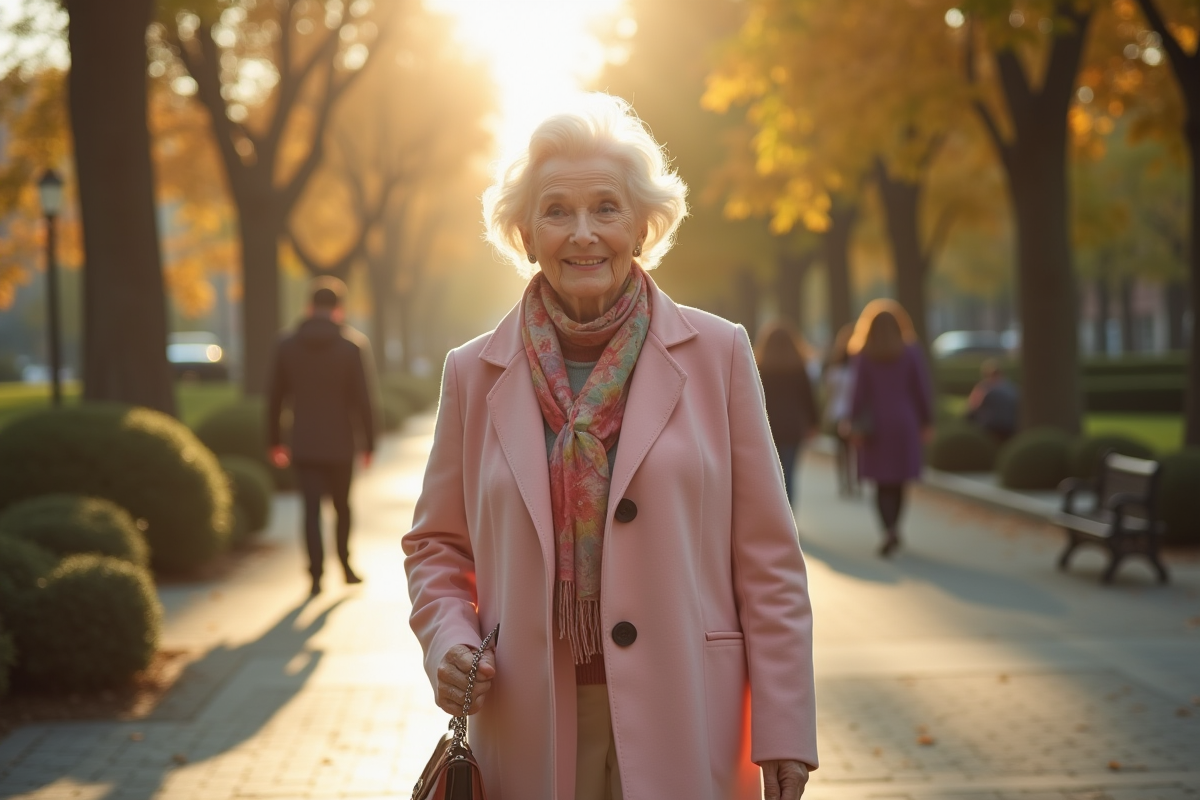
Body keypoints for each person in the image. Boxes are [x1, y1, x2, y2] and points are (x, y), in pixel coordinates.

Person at [402, 95, 817, 800]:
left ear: (644, 227)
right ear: (525, 233)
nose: (583, 233)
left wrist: (784, 726)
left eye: (607, 208)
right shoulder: (473, 373)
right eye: (557, 210)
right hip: (526, 717)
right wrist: (448, 639)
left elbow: (769, 560)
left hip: (690, 708)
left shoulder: (718, 354)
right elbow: (438, 547)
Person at [267, 277, 378, 596]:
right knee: (342, 507)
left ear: (309, 307)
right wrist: (369, 444)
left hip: (303, 442)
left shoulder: (286, 345)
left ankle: (315, 575)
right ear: (339, 310)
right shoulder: (352, 346)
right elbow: (364, 400)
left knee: (310, 510)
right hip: (342, 442)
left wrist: (274, 441)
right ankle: (345, 566)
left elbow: (275, 398)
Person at [845, 299, 933, 558]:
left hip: (876, 426)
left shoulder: (864, 354)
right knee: (899, 479)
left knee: (881, 481)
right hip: (904, 422)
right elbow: (921, 389)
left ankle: (887, 530)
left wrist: (851, 420)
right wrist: (927, 421)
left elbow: (857, 393)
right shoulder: (911, 351)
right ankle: (896, 526)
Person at [755, 321, 819, 507]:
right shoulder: (799, 368)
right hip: (793, 426)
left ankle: (772, 511)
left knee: (770, 473)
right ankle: (788, 513)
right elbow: (808, 399)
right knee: (789, 471)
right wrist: (813, 424)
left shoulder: (760, 368)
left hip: (768, 426)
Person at [821, 324, 858, 497]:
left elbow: (829, 392)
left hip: (837, 413)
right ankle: (851, 482)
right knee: (851, 450)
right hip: (850, 413)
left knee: (842, 450)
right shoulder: (857, 368)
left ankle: (845, 482)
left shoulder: (834, 369)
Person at [965, 358, 1019, 442]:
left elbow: (972, 407)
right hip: (1011, 427)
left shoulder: (983, 388)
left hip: (990, 429)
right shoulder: (1013, 388)